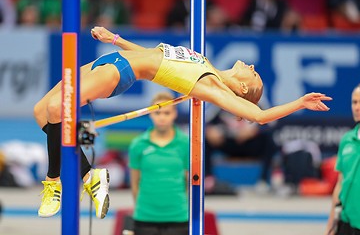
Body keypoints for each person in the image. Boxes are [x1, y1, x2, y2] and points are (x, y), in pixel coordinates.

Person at [33, 25, 331, 219]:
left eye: (253, 75)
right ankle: (89, 176)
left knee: (59, 111)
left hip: (118, 71)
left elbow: (260, 116)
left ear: (242, 89)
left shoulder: (210, 85)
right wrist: (115, 39)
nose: (251, 66)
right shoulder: (205, 62)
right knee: (41, 112)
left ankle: (53, 182)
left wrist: (299, 102)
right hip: (111, 58)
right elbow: (154, 55)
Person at [128, 92, 189, 235]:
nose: (162, 117)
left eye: (167, 113)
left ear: (175, 114)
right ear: (151, 114)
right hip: (145, 217)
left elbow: (188, 181)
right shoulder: (138, 144)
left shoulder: (186, 143)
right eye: (158, 113)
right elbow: (134, 183)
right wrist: (143, 207)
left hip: (178, 216)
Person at [326, 84, 360, 235]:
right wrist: (331, 225)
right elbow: (340, 183)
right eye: (354, 102)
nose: (357, 107)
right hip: (346, 221)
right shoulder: (347, 140)